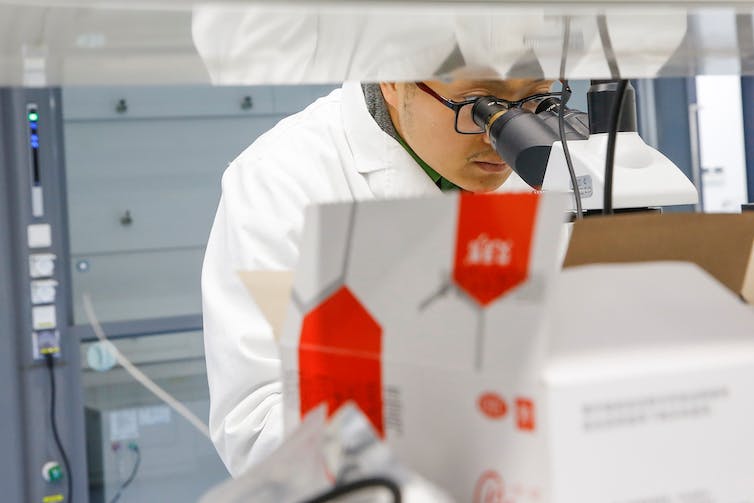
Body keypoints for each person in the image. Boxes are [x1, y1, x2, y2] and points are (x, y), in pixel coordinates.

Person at [201, 78, 554, 476]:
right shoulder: (280, 182)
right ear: (393, 78)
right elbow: (258, 428)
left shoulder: (554, 157)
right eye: (477, 105)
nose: (501, 136)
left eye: (535, 99)